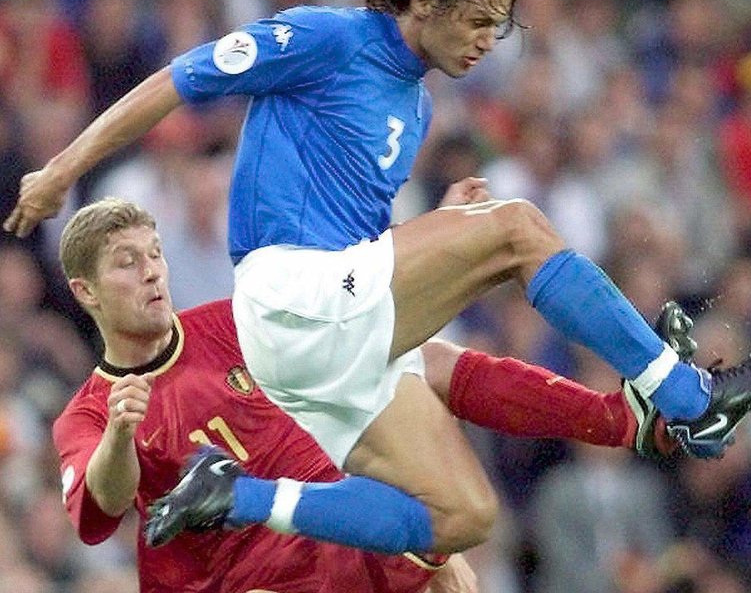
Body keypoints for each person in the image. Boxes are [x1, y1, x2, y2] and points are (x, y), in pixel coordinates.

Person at [7, 0, 751, 556]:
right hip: (287, 294)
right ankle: (684, 395)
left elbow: (360, 247)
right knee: (513, 227)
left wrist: (438, 228)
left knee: (464, 518)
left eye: (500, 27)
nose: (487, 41)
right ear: (421, 1)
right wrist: (61, 170)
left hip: (317, 340)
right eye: (476, 19)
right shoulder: (326, 38)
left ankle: (233, 495)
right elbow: (177, 82)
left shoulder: (414, 106)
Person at [54, 197, 700, 592]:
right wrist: (118, 432)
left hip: (344, 541)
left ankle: (623, 420)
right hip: (247, 580)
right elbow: (100, 511)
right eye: (126, 261)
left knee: (410, 359)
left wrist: (425, 545)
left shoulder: (233, 324)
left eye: (156, 253)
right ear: (86, 291)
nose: (151, 272)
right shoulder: (87, 414)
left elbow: (372, 355)